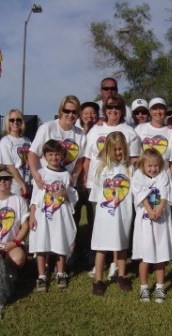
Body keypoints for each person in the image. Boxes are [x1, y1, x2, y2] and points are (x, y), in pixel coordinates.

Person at [83, 95, 141, 279]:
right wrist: (86, 178)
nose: (113, 111)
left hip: (122, 187)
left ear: (122, 110)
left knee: (120, 228)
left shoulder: (130, 131)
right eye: (109, 108)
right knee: (100, 227)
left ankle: (117, 265)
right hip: (100, 185)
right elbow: (88, 157)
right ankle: (101, 266)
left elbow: (134, 160)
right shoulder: (95, 130)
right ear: (105, 110)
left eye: (117, 108)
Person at [28, 140, 78, 292]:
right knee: (42, 244)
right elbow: (35, 196)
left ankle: (61, 272)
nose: (54, 158)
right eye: (50, 155)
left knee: (60, 242)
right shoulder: (41, 174)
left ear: (61, 156)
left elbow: (73, 195)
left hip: (60, 215)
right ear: (44, 156)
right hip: (43, 215)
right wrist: (32, 215)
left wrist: (67, 195)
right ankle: (42, 275)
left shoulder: (65, 175)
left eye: (57, 154)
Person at [89, 132, 134, 296]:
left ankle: (121, 276)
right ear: (107, 149)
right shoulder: (101, 168)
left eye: (120, 149)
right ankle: (99, 280)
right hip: (104, 216)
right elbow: (95, 194)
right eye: (114, 150)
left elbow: (135, 191)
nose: (117, 153)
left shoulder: (129, 168)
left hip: (123, 214)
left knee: (121, 246)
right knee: (101, 248)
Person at [131, 149, 172, 303]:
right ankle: (144, 287)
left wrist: (159, 209)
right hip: (145, 221)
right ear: (142, 165)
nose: (153, 169)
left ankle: (159, 287)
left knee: (161, 255)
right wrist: (150, 210)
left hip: (161, 222)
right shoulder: (138, 176)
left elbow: (164, 194)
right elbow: (141, 194)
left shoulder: (163, 175)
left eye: (156, 166)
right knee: (145, 255)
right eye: (149, 166)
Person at [28, 95, 86, 191]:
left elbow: (80, 161)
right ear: (61, 111)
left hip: (66, 185)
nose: (70, 114)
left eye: (74, 112)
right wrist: (35, 175)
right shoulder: (47, 128)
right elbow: (32, 153)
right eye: (67, 111)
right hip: (44, 183)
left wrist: (73, 178)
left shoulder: (81, 134)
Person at [73, 102, 100, 259]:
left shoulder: (99, 131)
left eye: (93, 113)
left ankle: (92, 249)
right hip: (76, 181)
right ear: (81, 115)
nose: (90, 116)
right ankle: (73, 249)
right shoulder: (75, 132)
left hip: (93, 183)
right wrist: (81, 180)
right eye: (86, 113)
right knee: (74, 217)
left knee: (93, 217)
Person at [135, 97, 172, 182]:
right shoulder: (139, 129)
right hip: (142, 179)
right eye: (154, 108)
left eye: (161, 108)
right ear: (150, 111)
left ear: (165, 111)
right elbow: (135, 157)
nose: (158, 112)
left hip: (164, 180)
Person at [0, 109, 32, 199]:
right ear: (8, 122)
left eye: (18, 120)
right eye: (12, 120)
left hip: (28, 184)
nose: (15, 122)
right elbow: (10, 166)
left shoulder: (27, 141)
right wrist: (22, 184)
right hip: (13, 187)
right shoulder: (5, 141)